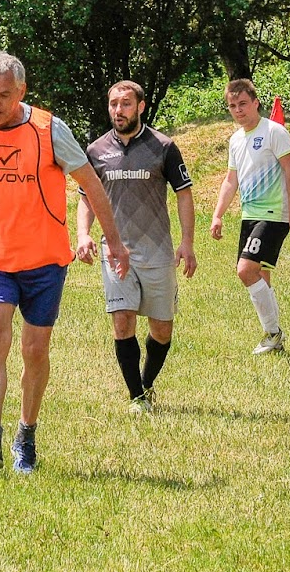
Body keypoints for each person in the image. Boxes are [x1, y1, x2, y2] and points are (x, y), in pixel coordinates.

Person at [0, 52, 130, 474]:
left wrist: (114, 242)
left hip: (46, 259)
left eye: (3, 96)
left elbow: (91, 184)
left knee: (35, 348)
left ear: (22, 92)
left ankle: (25, 433)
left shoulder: (49, 130)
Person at [77, 80, 197, 415]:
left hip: (157, 251)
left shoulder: (164, 146)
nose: (119, 110)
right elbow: (86, 197)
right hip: (116, 252)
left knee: (161, 329)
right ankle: (136, 397)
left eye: (126, 104)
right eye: (114, 104)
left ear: (141, 106)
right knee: (123, 321)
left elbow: (184, 195)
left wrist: (187, 243)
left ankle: (146, 383)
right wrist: (83, 234)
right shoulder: (96, 151)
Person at [210, 79, 290, 354]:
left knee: (245, 270)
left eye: (242, 104)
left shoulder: (274, 131)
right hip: (249, 215)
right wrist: (218, 215)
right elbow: (231, 180)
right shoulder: (236, 140)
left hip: (274, 214)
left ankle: (273, 333)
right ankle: (275, 340)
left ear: (255, 103)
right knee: (261, 275)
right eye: (232, 106)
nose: (238, 110)